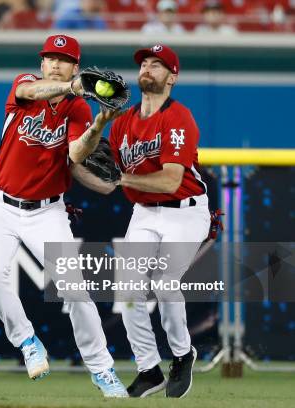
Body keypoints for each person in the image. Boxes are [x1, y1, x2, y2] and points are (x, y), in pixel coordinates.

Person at [0, 34, 128, 398]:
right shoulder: (24, 85)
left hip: (47, 211)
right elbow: (32, 94)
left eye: (64, 60)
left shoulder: (77, 109)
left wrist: (99, 124)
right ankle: (27, 340)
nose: (55, 63)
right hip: (0, 205)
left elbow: (76, 153)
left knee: (75, 290)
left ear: (76, 66)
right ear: (42, 63)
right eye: (50, 58)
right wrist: (72, 86)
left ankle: (103, 370)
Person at [75, 44, 210, 398]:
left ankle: (182, 355)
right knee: (130, 289)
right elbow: (105, 182)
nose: (148, 68)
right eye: (145, 63)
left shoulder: (178, 117)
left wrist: (119, 178)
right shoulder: (122, 125)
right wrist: (86, 156)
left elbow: (169, 180)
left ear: (172, 77)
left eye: (157, 64)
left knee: (165, 282)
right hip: (146, 212)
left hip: (185, 209)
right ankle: (148, 368)